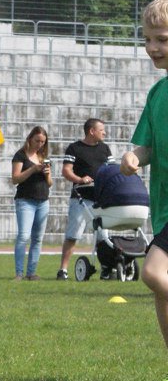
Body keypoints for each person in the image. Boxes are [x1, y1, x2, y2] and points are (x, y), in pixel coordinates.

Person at [121, 0, 168, 351]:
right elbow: (148, 145)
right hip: (163, 209)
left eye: (162, 39)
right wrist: (134, 157)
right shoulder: (158, 93)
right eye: (147, 39)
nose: (152, 48)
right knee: (161, 291)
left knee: (153, 272)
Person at [56, 118, 115, 280]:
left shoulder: (105, 148)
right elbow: (66, 170)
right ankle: (63, 270)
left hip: (100, 200)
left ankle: (106, 269)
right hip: (80, 199)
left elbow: (112, 170)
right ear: (91, 131)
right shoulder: (75, 148)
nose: (104, 133)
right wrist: (80, 179)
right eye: (101, 130)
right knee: (73, 235)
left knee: (103, 237)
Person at [10, 126, 53, 280]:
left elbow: (50, 183)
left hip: (43, 201)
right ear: (30, 139)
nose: (40, 144)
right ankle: (19, 273)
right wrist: (33, 169)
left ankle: (31, 272)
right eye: (37, 141)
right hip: (25, 201)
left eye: (43, 142)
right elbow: (15, 179)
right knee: (23, 236)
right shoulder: (20, 155)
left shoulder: (44, 157)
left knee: (37, 239)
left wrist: (47, 174)